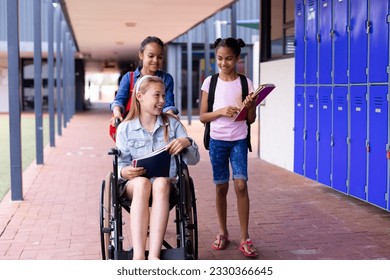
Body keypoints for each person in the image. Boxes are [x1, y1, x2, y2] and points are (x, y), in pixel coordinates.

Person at [116, 75, 200, 260]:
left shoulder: (173, 124)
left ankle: (154, 256)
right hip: (134, 186)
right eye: (157, 95)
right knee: (141, 184)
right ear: (140, 96)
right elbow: (119, 167)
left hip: (166, 185)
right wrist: (124, 171)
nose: (162, 100)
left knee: (161, 183)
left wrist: (186, 142)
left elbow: (194, 160)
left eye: (164, 95)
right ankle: (138, 256)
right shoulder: (125, 129)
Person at [199, 37, 258, 257]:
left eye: (229, 59)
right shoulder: (210, 83)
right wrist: (221, 111)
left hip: (239, 139)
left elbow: (250, 119)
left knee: (241, 185)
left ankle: (245, 237)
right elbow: (203, 116)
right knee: (221, 187)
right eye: (220, 59)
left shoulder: (246, 83)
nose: (223, 63)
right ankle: (223, 232)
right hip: (217, 141)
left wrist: (250, 106)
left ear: (237, 58)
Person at [110, 36, 178, 127]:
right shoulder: (128, 78)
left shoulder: (166, 79)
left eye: (160, 57)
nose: (155, 60)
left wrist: (171, 115)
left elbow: (168, 105)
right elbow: (119, 101)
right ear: (141, 55)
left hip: (157, 127)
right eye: (151, 56)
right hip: (132, 127)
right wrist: (117, 114)